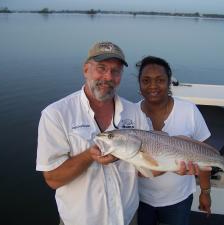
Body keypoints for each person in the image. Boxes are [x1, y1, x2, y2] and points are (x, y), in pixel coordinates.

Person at [36, 41, 149, 225]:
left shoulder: (135, 113)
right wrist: (90, 155)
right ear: (86, 69)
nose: (108, 77)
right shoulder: (56, 114)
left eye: (116, 71)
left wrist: (176, 166)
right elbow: (53, 179)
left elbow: (146, 170)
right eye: (101, 68)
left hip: (127, 218)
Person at [137, 56, 212, 225]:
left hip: (179, 200)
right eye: (146, 80)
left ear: (169, 82)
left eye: (160, 80)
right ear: (139, 84)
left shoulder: (189, 110)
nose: (153, 86)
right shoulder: (130, 114)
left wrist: (205, 192)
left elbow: (205, 155)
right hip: (139, 199)